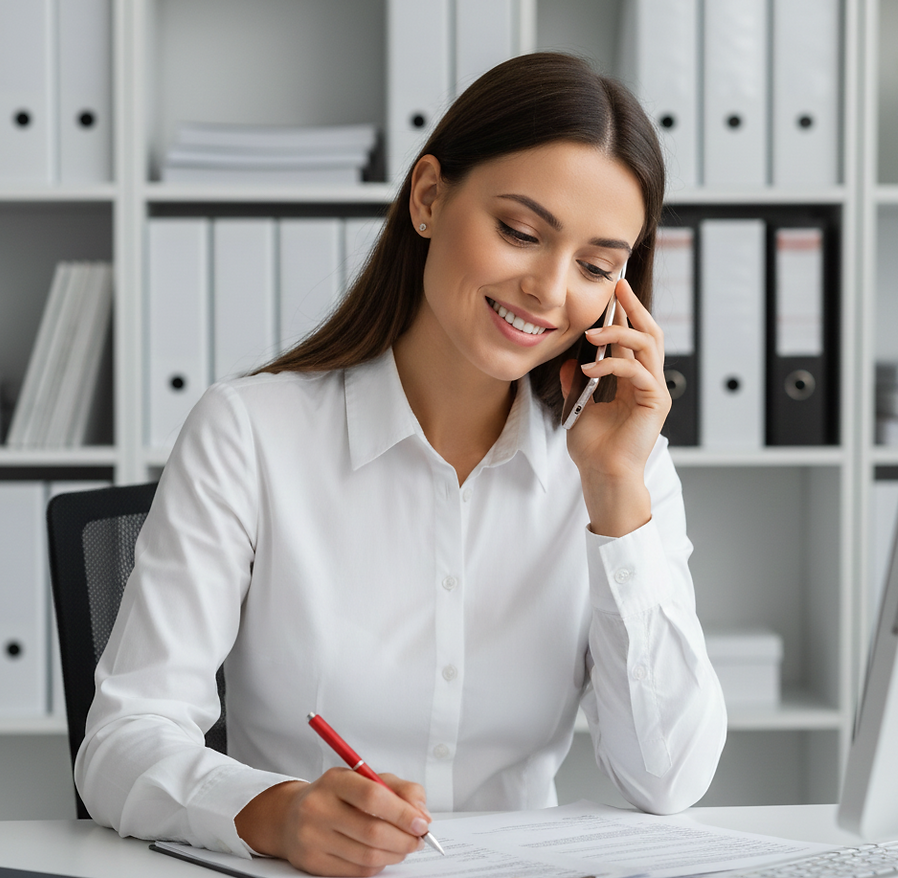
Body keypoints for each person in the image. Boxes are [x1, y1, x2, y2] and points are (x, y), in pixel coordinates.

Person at [76, 52, 726, 877]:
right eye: (520, 233)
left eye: (596, 267)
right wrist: (277, 813)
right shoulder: (249, 433)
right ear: (428, 198)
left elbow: (669, 780)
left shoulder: (620, 468)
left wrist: (614, 492)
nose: (549, 289)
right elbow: (121, 745)